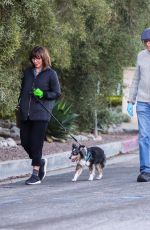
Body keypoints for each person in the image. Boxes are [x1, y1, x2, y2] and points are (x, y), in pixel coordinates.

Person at [18, 46, 61, 185]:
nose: (35, 61)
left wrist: (43, 94)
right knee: (25, 142)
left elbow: (57, 93)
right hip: (26, 113)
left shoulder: (51, 74)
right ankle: (40, 161)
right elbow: (23, 90)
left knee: (36, 145)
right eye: (33, 58)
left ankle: (36, 174)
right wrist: (21, 104)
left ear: (44, 58)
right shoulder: (28, 72)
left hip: (41, 114)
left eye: (38, 58)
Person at [127, 28, 150, 182]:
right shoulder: (140, 56)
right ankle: (145, 170)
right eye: (146, 42)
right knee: (144, 136)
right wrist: (131, 100)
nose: (148, 45)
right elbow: (136, 79)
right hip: (142, 103)